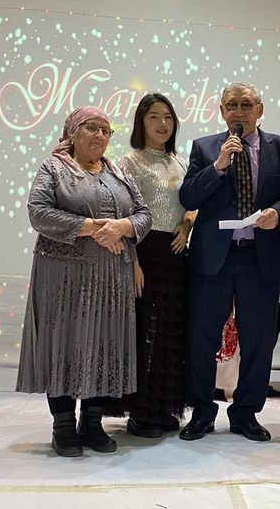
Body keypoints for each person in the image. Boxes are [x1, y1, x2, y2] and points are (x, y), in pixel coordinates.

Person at [17, 106, 151, 457]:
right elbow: (38, 212)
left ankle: (92, 422)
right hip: (64, 276)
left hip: (111, 276)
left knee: (105, 342)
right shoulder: (54, 167)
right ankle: (63, 425)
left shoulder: (118, 172)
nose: (99, 135)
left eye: (105, 130)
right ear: (72, 132)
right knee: (64, 343)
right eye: (91, 127)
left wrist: (122, 226)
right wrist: (92, 228)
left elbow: (144, 214)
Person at [179, 82, 280, 442]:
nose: (239, 111)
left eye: (246, 104)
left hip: (258, 258)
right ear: (221, 111)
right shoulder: (205, 148)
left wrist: (278, 214)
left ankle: (245, 413)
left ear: (259, 110)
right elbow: (188, 196)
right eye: (231, 105)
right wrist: (217, 166)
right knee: (202, 338)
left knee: (258, 340)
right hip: (213, 258)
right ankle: (201, 412)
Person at [117, 93, 192, 438]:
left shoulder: (181, 162)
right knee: (143, 332)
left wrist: (187, 224)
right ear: (141, 122)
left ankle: (163, 408)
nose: (162, 124)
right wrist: (132, 260)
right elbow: (123, 214)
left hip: (175, 255)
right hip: (143, 252)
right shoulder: (129, 162)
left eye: (168, 117)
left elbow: (191, 206)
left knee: (170, 334)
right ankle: (140, 411)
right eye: (154, 117)